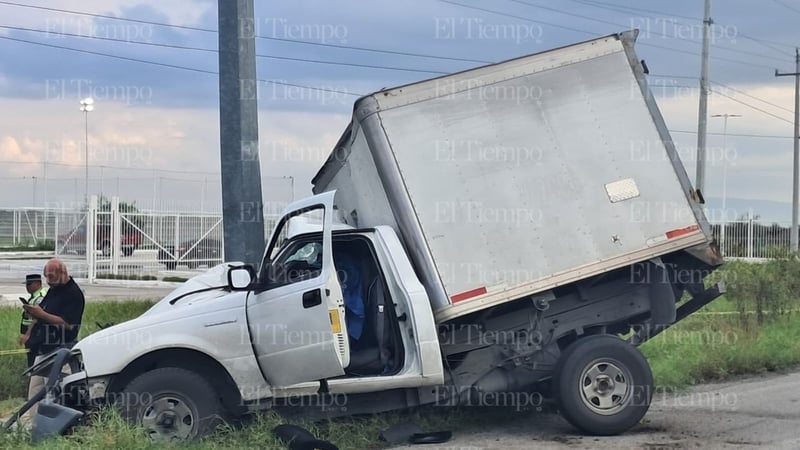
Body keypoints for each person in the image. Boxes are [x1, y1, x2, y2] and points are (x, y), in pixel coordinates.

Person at [19, 258, 85, 425]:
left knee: (54, 392)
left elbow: (68, 324)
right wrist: (30, 331)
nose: (48, 281)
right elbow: (43, 310)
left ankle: (57, 426)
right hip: (43, 347)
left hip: (60, 348)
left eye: (52, 277)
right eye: (46, 277)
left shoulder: (73, 294)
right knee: (35, 390)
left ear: (63, 273)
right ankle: (35, 425)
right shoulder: (53, 290)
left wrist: (41, 315)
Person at [19, 274, 48, 368]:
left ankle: (34, 379)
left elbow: (37, 318)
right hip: (32, 334)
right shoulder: (34, 296)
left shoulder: (40, 297)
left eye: (29, 284)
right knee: (31, 359)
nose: (27, 287)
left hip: (35, 334)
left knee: (34, 361)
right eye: (26, 284)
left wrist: (27, 334)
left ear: (38, 283)